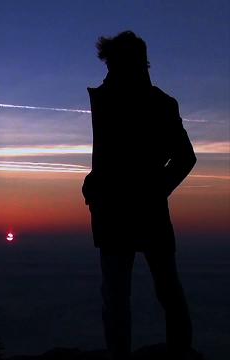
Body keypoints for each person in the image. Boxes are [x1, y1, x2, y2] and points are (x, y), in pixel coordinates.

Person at [82, 31, 197, 360]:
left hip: (142, 214)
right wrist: (94, 182)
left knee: (163, 290)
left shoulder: (160, 105)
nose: (107, 72)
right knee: (122, 296)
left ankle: (180, 354)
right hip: (116, 213)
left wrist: (154, 189)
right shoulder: (112, 99)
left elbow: (185, 157)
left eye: (113, 64)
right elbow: (112, 159)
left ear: (130, 63)